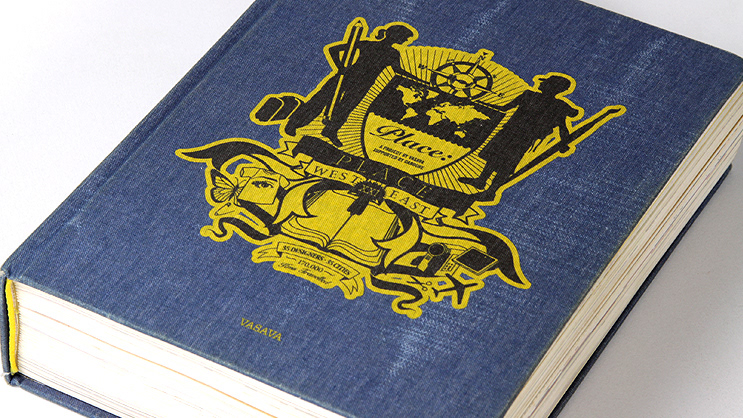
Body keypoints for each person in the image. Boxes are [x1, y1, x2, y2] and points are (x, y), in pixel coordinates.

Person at [284, 23, 416, 143]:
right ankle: (294, 125)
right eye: (404, 38)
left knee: (346, 107)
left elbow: (398, 71)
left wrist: (416, 79)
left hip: (362, 83)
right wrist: (341, 67)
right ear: (396, 36)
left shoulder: (392, 53)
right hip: (346, 76)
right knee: (321, 100)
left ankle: (330, 131)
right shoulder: (370, 45)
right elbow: (333, 50)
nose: (405, 41)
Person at [459, 74, 581, 190]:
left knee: (504, 162)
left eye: (545, 83)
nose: (540, 83)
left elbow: (562, 126)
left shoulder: (543, 101)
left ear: (551, 87)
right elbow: (563, 127)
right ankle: (482, 182)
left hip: (519, 136)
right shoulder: (544, 100)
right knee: (495, 157)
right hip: (513, 133)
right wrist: (564, 143)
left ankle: (491, 189)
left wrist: (564, 143)